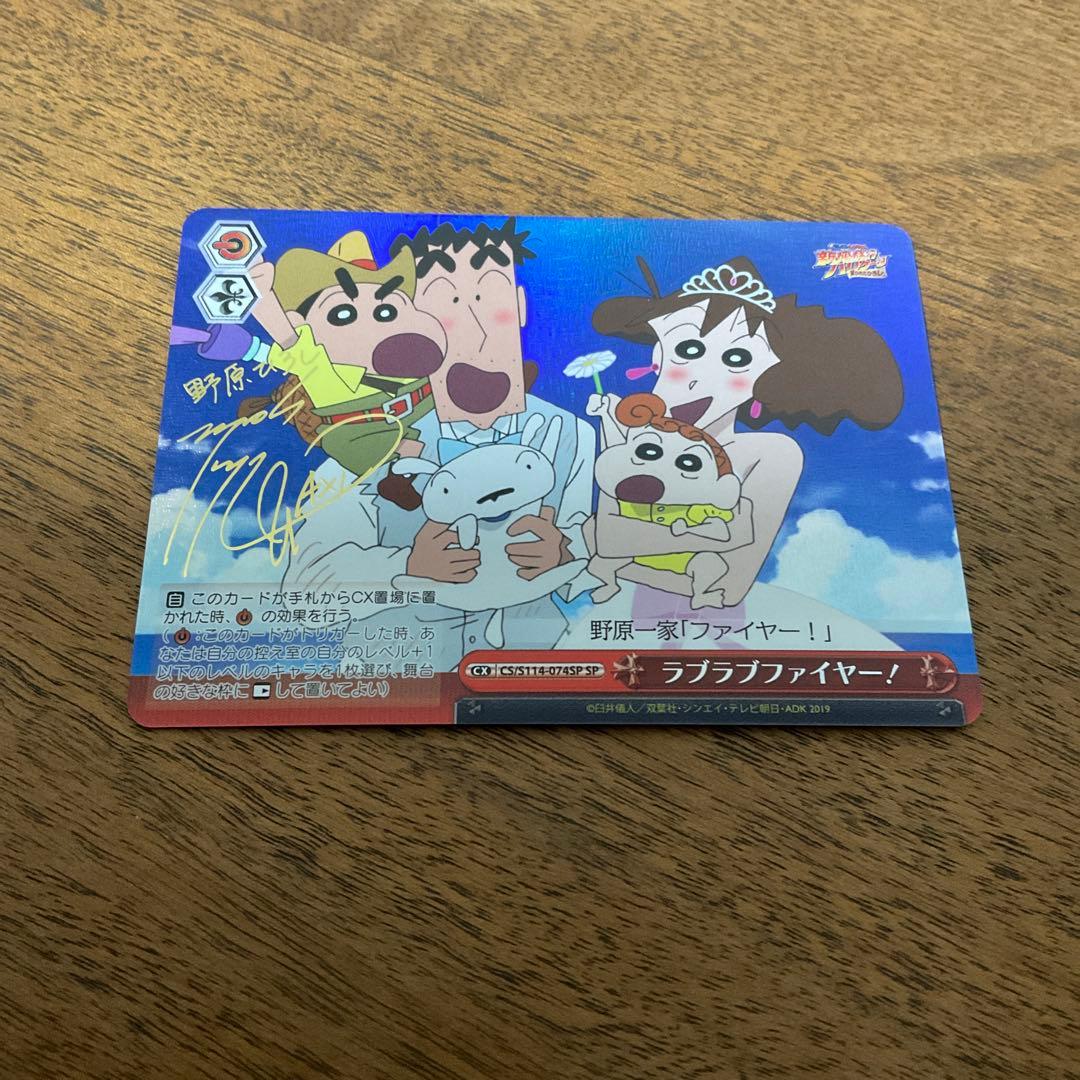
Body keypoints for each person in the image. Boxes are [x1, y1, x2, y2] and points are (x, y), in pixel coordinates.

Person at [281, 219, 597, 667]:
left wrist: (564, 553)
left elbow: (589, 550)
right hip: (396, 669)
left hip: (531, 664)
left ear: (520, 305)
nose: (473, 327)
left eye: (490, 300)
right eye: (446, 305)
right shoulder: (368, 439)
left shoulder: (570, 433)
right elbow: (302, 592)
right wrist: (405, 567)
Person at [591, 255, 903, 606]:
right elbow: (608, 541)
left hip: (718, 630)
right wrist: (725, 536)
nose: (698, 378)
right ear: (658, 355)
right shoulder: (629, 433)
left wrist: (625, 551)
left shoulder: (771, 456)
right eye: (687, 349)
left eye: (737, 359)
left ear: (765, 379)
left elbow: (726, 588)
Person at [243, 231, 448, 477]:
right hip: (372, 437)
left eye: (386, 312)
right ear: (300, 323)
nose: (372, 329)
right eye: (342, 314)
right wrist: (263, 300)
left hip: (431, 416)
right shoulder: (322, 372)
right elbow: (293, 344)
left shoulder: (415, 359)